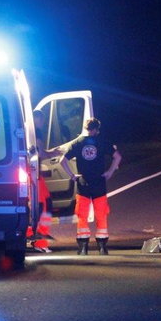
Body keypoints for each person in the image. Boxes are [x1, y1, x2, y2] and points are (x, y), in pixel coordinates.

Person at [63, 117, 122, 255]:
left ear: (86, 128)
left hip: (83, 182)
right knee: (101, 215)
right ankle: (102, 248)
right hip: (99, 182)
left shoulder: (77, 143)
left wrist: (72, 176)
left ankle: (83, 248)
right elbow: (118, 157)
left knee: (82, 216)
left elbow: (62, 161)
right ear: (96, 129)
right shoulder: (102, 142)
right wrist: (110, 172)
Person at [27, 109, 58, 252]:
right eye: (42, 120)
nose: (43, 123)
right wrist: (55, 153)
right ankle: (39, 242)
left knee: (33, 207)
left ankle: (30, 238)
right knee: (44, 206)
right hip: (35, 174)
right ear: (36, 119)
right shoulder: (36, 132)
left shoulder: (25, 129)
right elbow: (41, 153)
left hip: (30, 173)